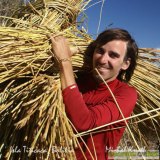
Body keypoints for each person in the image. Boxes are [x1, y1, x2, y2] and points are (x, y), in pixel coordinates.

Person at [51, 28, 138, 160]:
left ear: (125, 64)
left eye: (113, 55)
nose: (103, 60)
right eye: (100, 51)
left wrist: (64, 61)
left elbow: (85, 122)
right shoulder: (75, 81)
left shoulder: (126, 94)